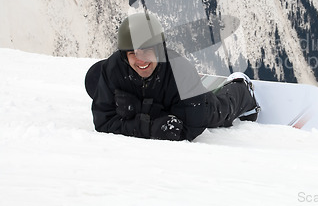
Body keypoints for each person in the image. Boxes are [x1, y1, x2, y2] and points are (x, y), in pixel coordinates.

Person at [88, 12, 259, 141]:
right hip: (154, 97)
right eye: (133, 53)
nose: (140, 60)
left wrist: (140, 115)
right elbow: (103, 123)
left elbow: (191, 128)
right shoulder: (113, 69)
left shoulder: (181, 72)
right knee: (93, 82)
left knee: (217, 112)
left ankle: (243, 90)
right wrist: (148, 125)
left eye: (147, 51)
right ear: (124, 56)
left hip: (178, 99)